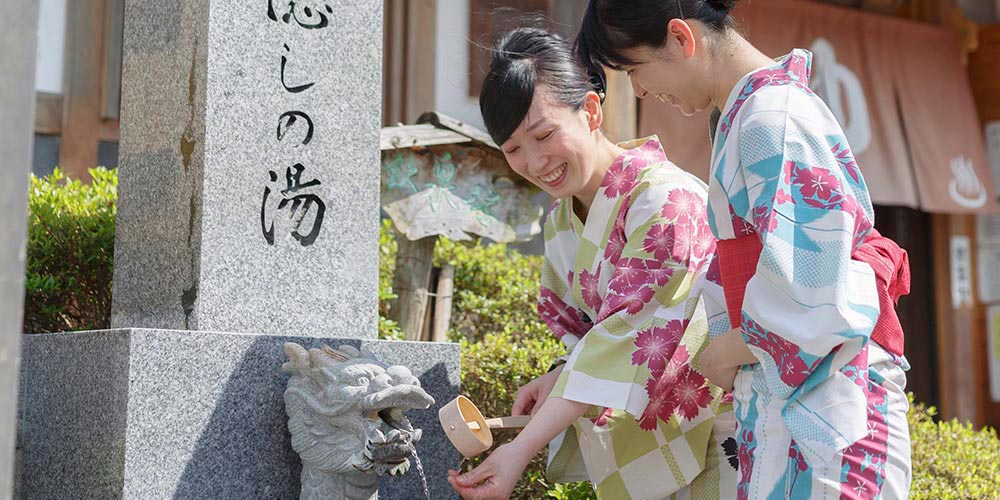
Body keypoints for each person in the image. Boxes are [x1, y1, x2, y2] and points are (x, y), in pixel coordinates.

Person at [575, 1, 912, 498]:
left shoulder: (769, 118)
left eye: (634, 70)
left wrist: (727, 351)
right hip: (802, 399)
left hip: (827, 406)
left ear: (680, 38)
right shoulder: (755, 113)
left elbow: (811, 287)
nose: (640, 90)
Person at [447, 27, 738, 500]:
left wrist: (521, 450)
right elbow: (588, 338)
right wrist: (557, 375)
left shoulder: (667, 202)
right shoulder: (562, 221)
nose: (537, 161)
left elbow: (622, 339)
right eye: (514, 149)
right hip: (647, 437)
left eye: (544, 134)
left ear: (590, 110)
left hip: (717, 433)